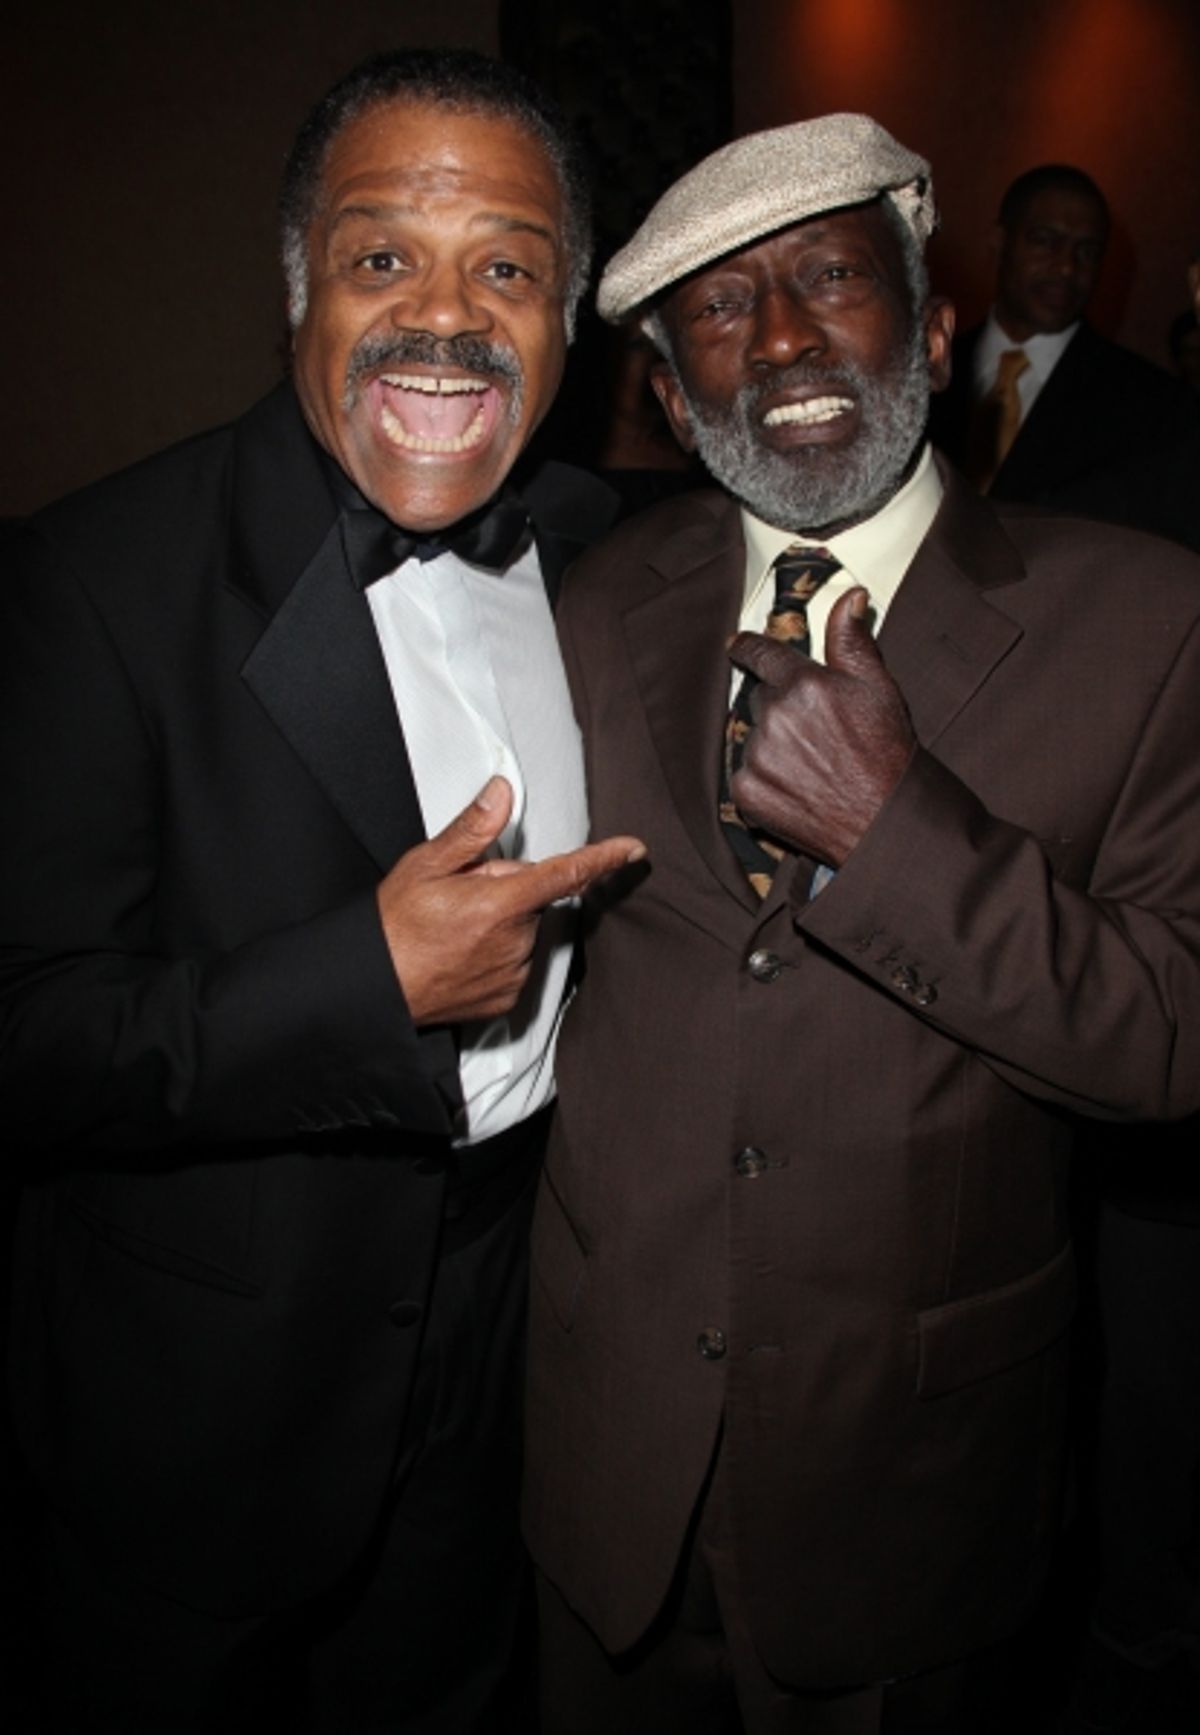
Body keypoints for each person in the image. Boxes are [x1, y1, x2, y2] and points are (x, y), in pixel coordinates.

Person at [521, 113, 1200, 1733]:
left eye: (831, 276)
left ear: (941, 328)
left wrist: (897, 841)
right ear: (676, 404)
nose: (781, 336)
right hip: (603, 1473)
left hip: (915, 1491)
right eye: (718, 310)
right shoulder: (595, 605)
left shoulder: (1152, 622)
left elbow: (1178, 1037)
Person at [0, 47, 641, 1735]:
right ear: (296, 290)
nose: (445, 317)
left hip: (511, 1361)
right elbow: (27, 1034)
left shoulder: (604, 554)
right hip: (199, 1409)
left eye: (504, 267)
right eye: (383, 259)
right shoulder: (90, 581)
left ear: (566, 324)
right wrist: (359, 983)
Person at [929, 163, 1197, 528]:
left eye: (1086, 252)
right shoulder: (921, 374)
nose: (1066, 268)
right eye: (1045, 241)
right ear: (1000, 241)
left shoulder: (1154, 405)